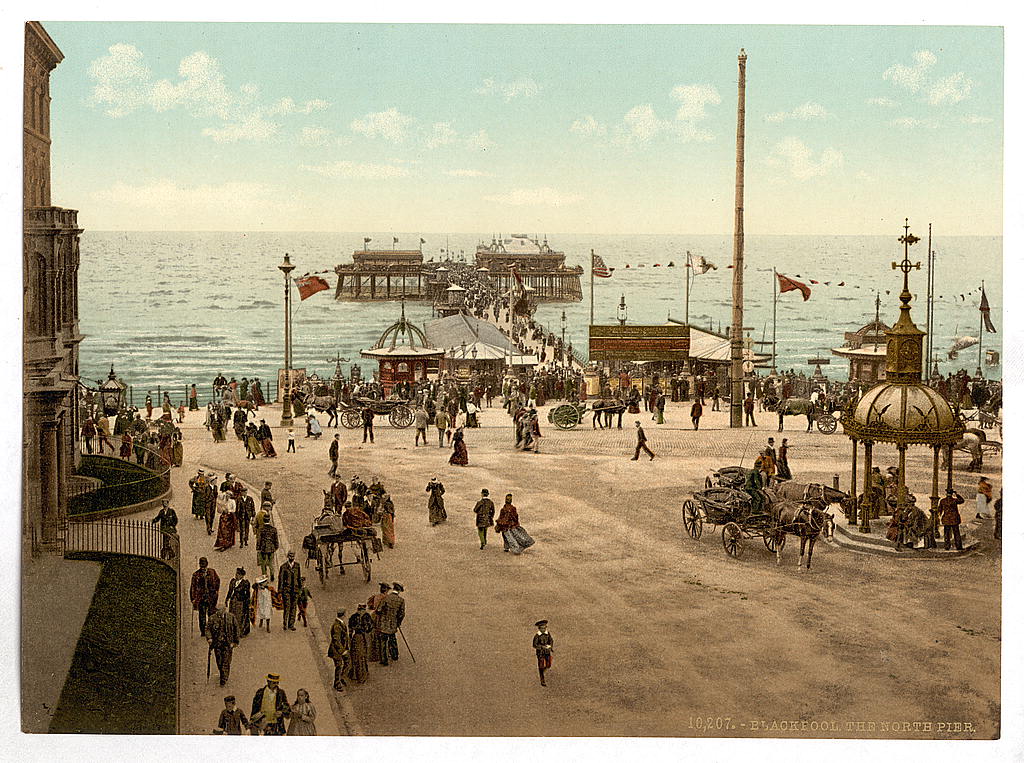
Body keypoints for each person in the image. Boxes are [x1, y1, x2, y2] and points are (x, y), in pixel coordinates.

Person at [206, 604, 240, 686]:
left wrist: (235, 642)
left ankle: (223, 677)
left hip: (228, 644)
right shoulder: (212, 618)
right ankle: (222, 671)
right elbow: (208, 629)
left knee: (226, 661)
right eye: (217, 611)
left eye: (221, 611)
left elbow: (236, 629)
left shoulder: (231, 618)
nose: (219, 613)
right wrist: (209, 638)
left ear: (224, 610)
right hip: (217, 644)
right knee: (219, 660)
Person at [377, 582, 406, 666]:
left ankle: (384, 660)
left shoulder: (386, 598)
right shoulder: (401, 600)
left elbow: (379, 610)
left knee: (383, 642)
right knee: (393, 639)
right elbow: (401, 614)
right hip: (393, 624)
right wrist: (398, 622)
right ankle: (394, 655)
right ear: (399, 591)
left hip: (384, 624)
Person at [190, 557, 220, 636]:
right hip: (201, 598)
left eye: (204, 566)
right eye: (201, 566)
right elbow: (193, 587)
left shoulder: (212, 572)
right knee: (202, 615)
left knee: (211, 614)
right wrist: (193, 598)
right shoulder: (196, 575)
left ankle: (212, 630)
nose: (203, 568)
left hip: (211, 597)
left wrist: (215, 591)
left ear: (207, 565)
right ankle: (203, 631)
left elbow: (217, 580)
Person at [347, 605, 373, 684]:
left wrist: (350, 637)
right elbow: (370, 627)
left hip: (356, 637)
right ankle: (362, 674)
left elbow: (350, 628)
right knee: (362, 655)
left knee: (355, 655)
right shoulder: (367, 616)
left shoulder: (353, 616)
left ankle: (354, 674)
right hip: (363, 637)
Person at [279, 550, 302, 631]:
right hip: (287, 590)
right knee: (287, 607)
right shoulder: (283, 567)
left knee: (294, 608)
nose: (291, 558)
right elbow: (281, 580)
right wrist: (280, 591)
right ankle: (285, 624)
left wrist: (300, 589)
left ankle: (291, 624)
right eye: (290, 556)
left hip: (295, 590)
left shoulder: (297, 566)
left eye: (293, 556)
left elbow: (299, 578)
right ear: (288, 557)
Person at [225, 567, 251, 637]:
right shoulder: (232, 581)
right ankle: (232, 632)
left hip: (240, 602)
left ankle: (240, 632)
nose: (236, 575)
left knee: (240, 618)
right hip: (233, 601)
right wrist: (227, 599)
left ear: (242, 576)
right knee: (232, 616)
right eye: (236, 574)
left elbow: (248, 594)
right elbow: (230, 591)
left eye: (238, 574)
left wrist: (248, 603)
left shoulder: (245, 583)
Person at [328, 609, 349, 691]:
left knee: (347, 662)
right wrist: (342, 651)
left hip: (341, 649)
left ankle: (341, 678)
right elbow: (336, 640)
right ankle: (337, 684)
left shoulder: (340, 623)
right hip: (336, 651)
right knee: (339, 666)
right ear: (343, 615)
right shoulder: (337, 625)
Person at [257, 518, 279, 582]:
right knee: (271, 563)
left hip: (263, 548)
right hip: (271, 548)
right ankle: (272, 575)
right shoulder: (273, 529)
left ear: (263, 520)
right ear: (269, 520)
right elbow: (276, 540)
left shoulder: (261, 529)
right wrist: (276, 547)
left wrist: (258, 548)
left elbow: (259, 539)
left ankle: (265, 576)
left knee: (263, 564)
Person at [533, 619, 554, 686]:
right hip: (540, 653)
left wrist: (550, 646)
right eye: (542, 628)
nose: (543, 629)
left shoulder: (547, 634)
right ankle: (542, 680)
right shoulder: (537, 636)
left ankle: (543, 670)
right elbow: (534, 645)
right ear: (539, 629)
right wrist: (542, 647)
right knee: (541, 666)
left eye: (545, 628)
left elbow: (551, 640)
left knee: (548, 665)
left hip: (547, 652)